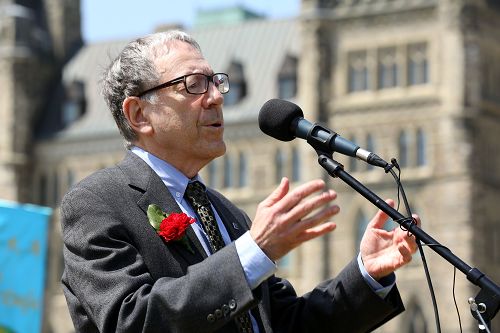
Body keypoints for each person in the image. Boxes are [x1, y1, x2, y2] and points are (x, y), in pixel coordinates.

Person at [60, 30, 420, 333]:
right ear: (139, 114)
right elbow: (132, 321)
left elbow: (287, 324)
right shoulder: (97, 203)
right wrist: (254, 250)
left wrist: (366, 275)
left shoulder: (226, 214)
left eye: (215, 82)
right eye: (192, 85)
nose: (216, 97)